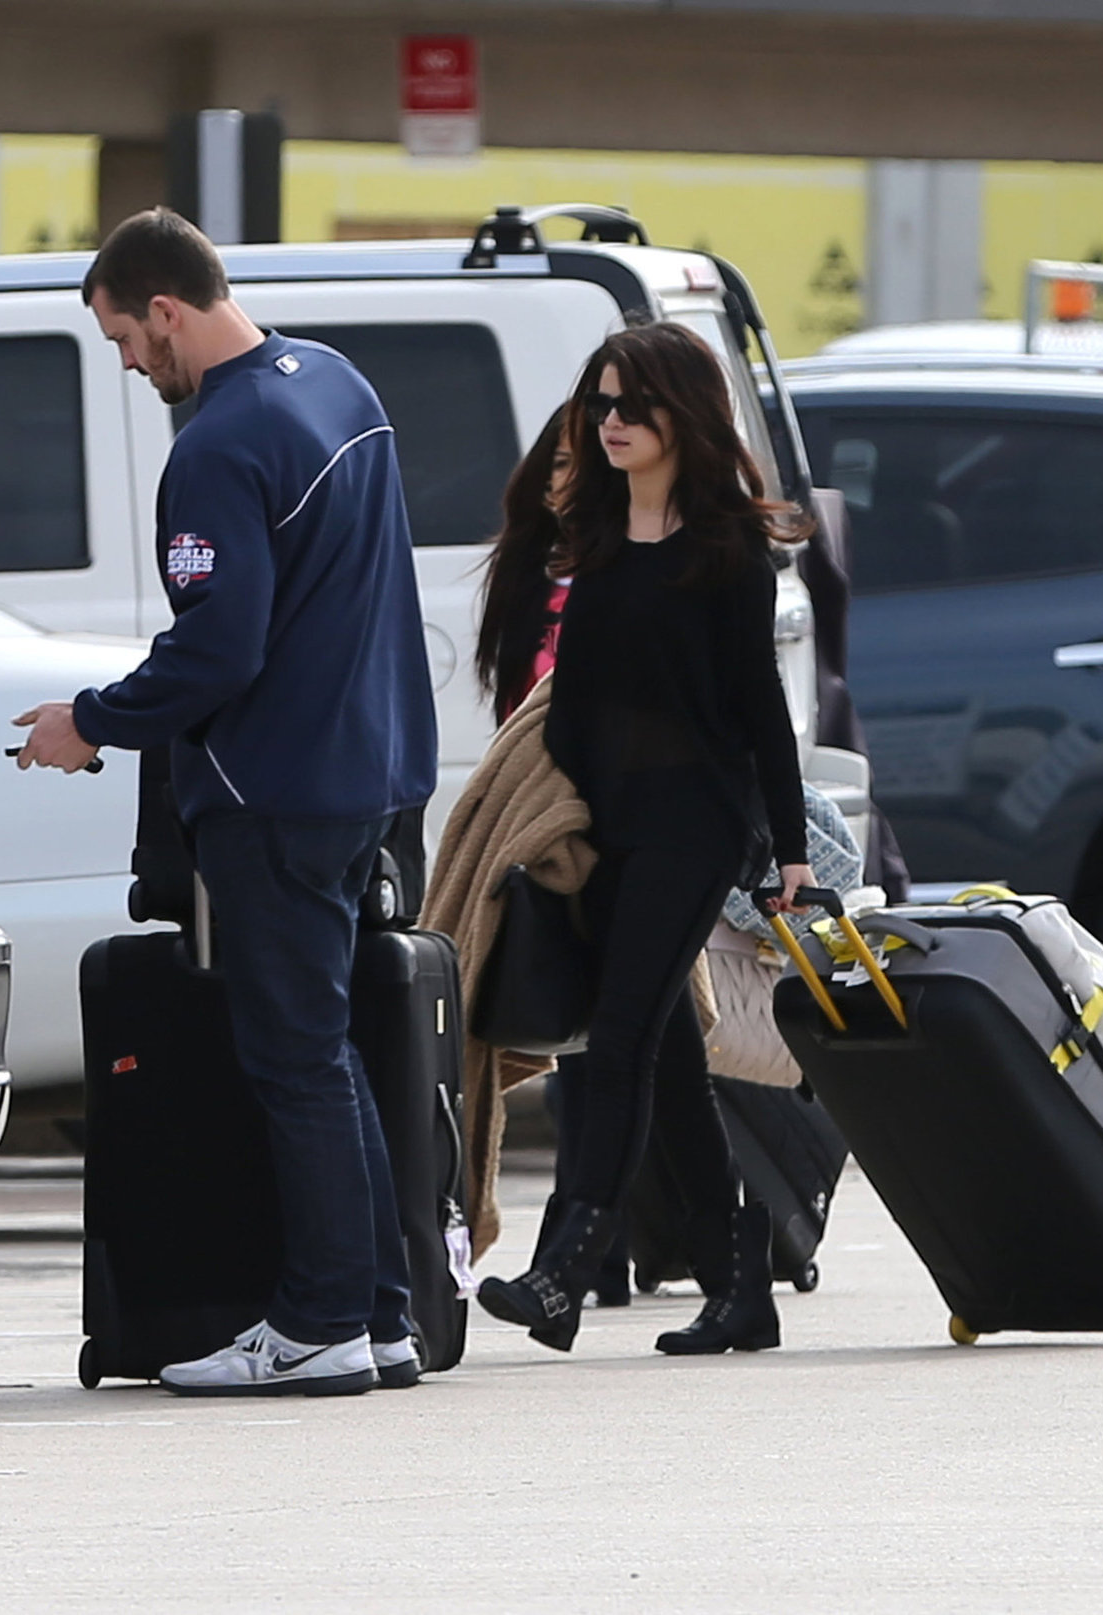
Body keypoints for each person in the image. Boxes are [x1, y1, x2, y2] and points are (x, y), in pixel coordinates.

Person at [12, 208, 437, 1397]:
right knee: (335, 1050)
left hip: (274, 794)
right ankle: (380, 1313)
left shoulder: (215, 446)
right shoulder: (336, 385)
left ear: (165, 308)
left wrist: (84, 724)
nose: (128, 363)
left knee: (295, 1061)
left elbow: (218, 652)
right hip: (365, 779)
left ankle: (315, 1326)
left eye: (123, 338)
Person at [475, 321, 816, 1357]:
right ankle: (735, 1284)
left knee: (617, 1038)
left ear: (681, 418)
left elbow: (760, 709)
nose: (610, 423)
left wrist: (789, 851)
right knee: (660, 1060)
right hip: (604, 830)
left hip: (694, 827)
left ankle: (565, 1268)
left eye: (632, 406)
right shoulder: (595, 541)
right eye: (600, 404)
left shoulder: (725, 553)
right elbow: (567, 696)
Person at [476, 401, 634, 1311]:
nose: (563, 479)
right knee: (615, 1046)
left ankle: (579, 1253)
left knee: (619, 1043)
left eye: (579, 464)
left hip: (618, 833)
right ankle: (720, 1254)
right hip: (552, 831)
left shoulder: (625, 571)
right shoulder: (534, 577)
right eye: (555, 463)